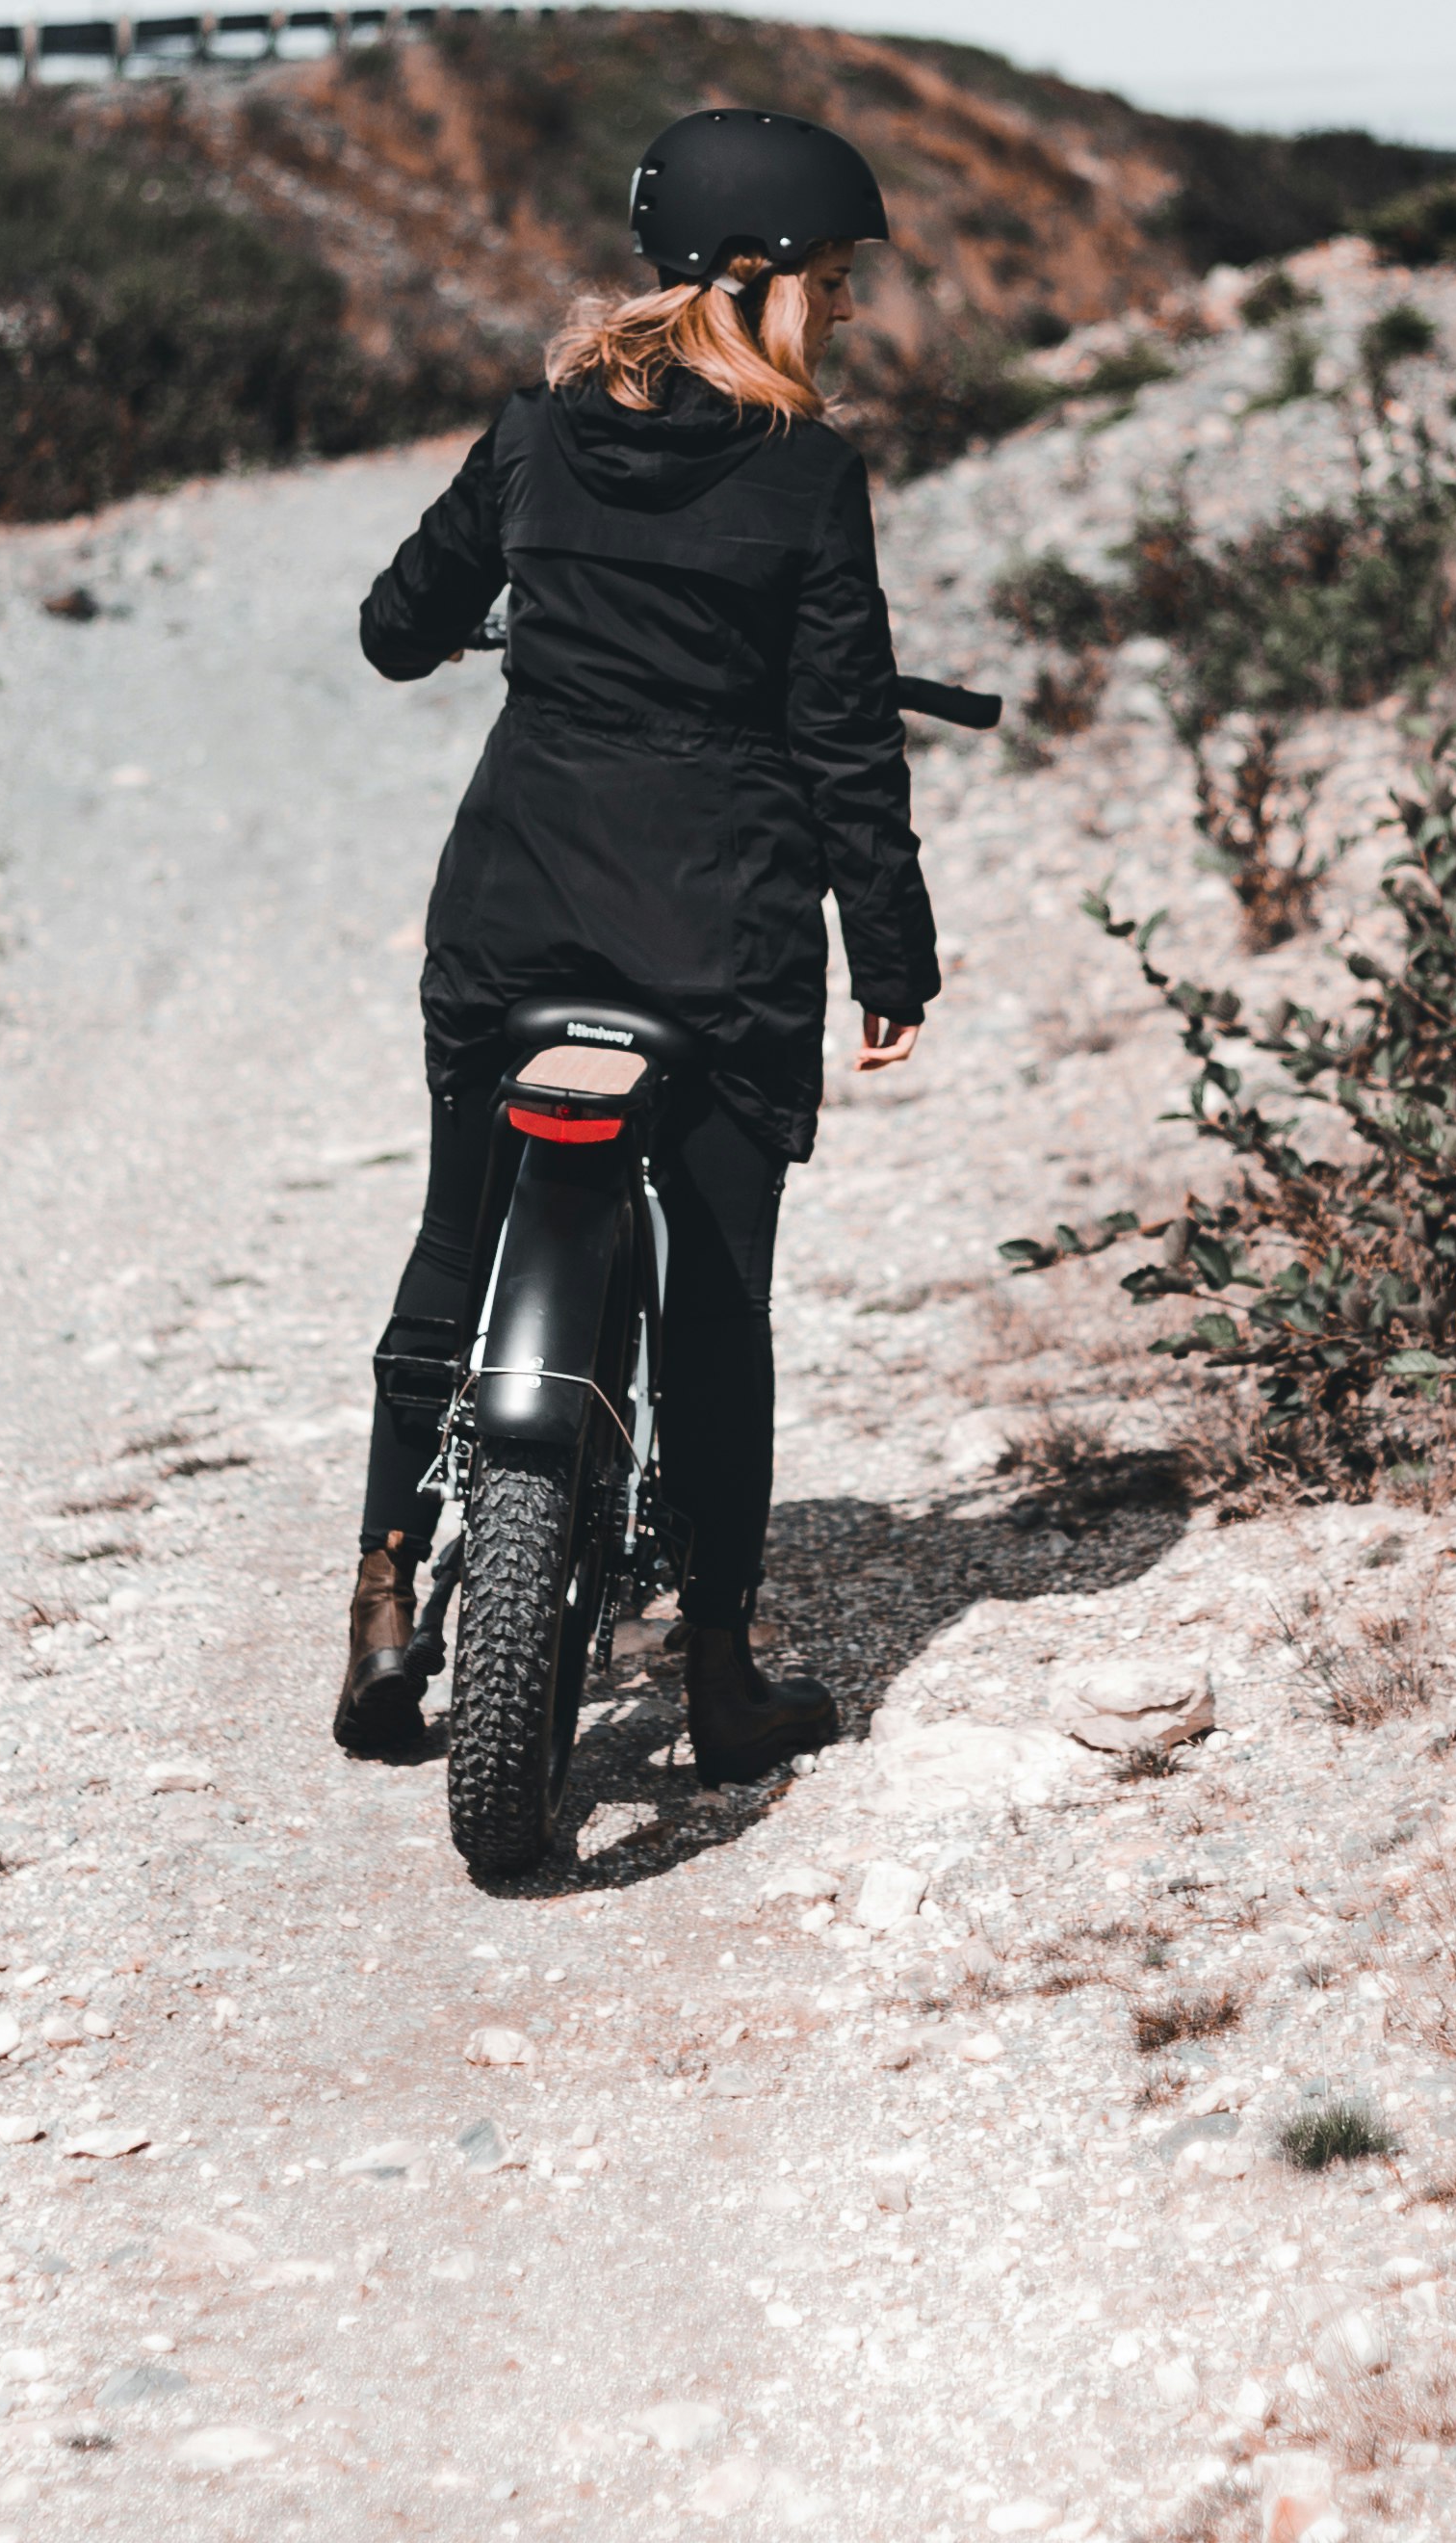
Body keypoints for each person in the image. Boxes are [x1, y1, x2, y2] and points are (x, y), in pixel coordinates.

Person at [338, 107, 944, 1783]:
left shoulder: (533, 435)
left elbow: (397, 632)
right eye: (828, 283)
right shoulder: (808, 477)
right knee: (721, 1301)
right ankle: (726, 1669)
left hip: (514, 914)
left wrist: (502, 606)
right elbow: (843, 747)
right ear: (756, 284)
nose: (840, 314)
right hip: (717, 945)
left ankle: (388, 1592)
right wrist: (891, 959)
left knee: (457, 1239)